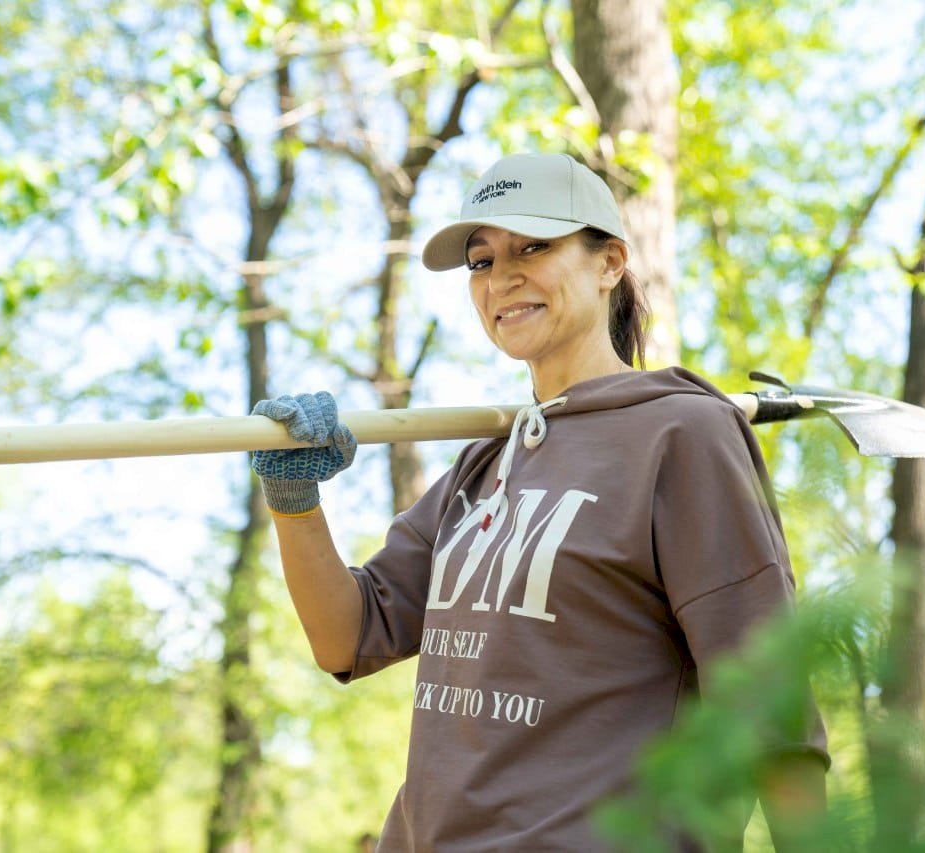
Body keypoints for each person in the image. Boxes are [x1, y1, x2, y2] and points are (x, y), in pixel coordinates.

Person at [250, 153, 829, 851]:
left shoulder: (682, 434)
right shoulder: (488, 460)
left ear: (609, 262)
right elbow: (347, 635)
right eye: (482, 260)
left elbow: (768, 706)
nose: (503, 277)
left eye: (533, 246)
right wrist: (293, 498)